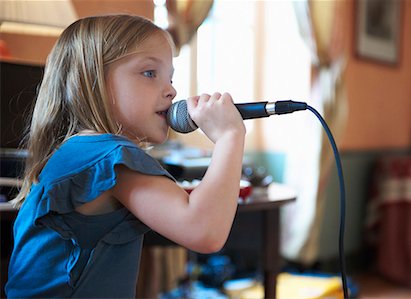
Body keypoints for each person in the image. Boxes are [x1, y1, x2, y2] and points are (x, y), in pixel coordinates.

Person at [5, 14, 246, 298]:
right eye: (149, 73)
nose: (171, 90)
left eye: (170, 77)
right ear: (93, 81)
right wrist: (230, 137)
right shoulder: (108, 155)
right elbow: (204, 231)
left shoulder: (79, 152)